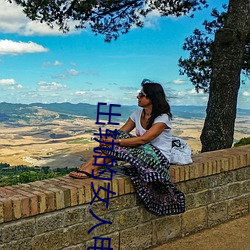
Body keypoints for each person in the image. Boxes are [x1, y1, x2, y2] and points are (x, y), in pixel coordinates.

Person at [69, 79, 185, 215]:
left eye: (142, 95)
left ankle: (91, 168)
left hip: (158, 158)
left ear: (152, 98)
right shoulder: (137, 114)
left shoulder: (162, 117)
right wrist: (108, 140)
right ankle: (89, 167)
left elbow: (144, 139)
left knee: (117, 141)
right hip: (141, 151)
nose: (138, 97)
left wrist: (114, 141)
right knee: (115, 138)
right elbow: (122, 132)